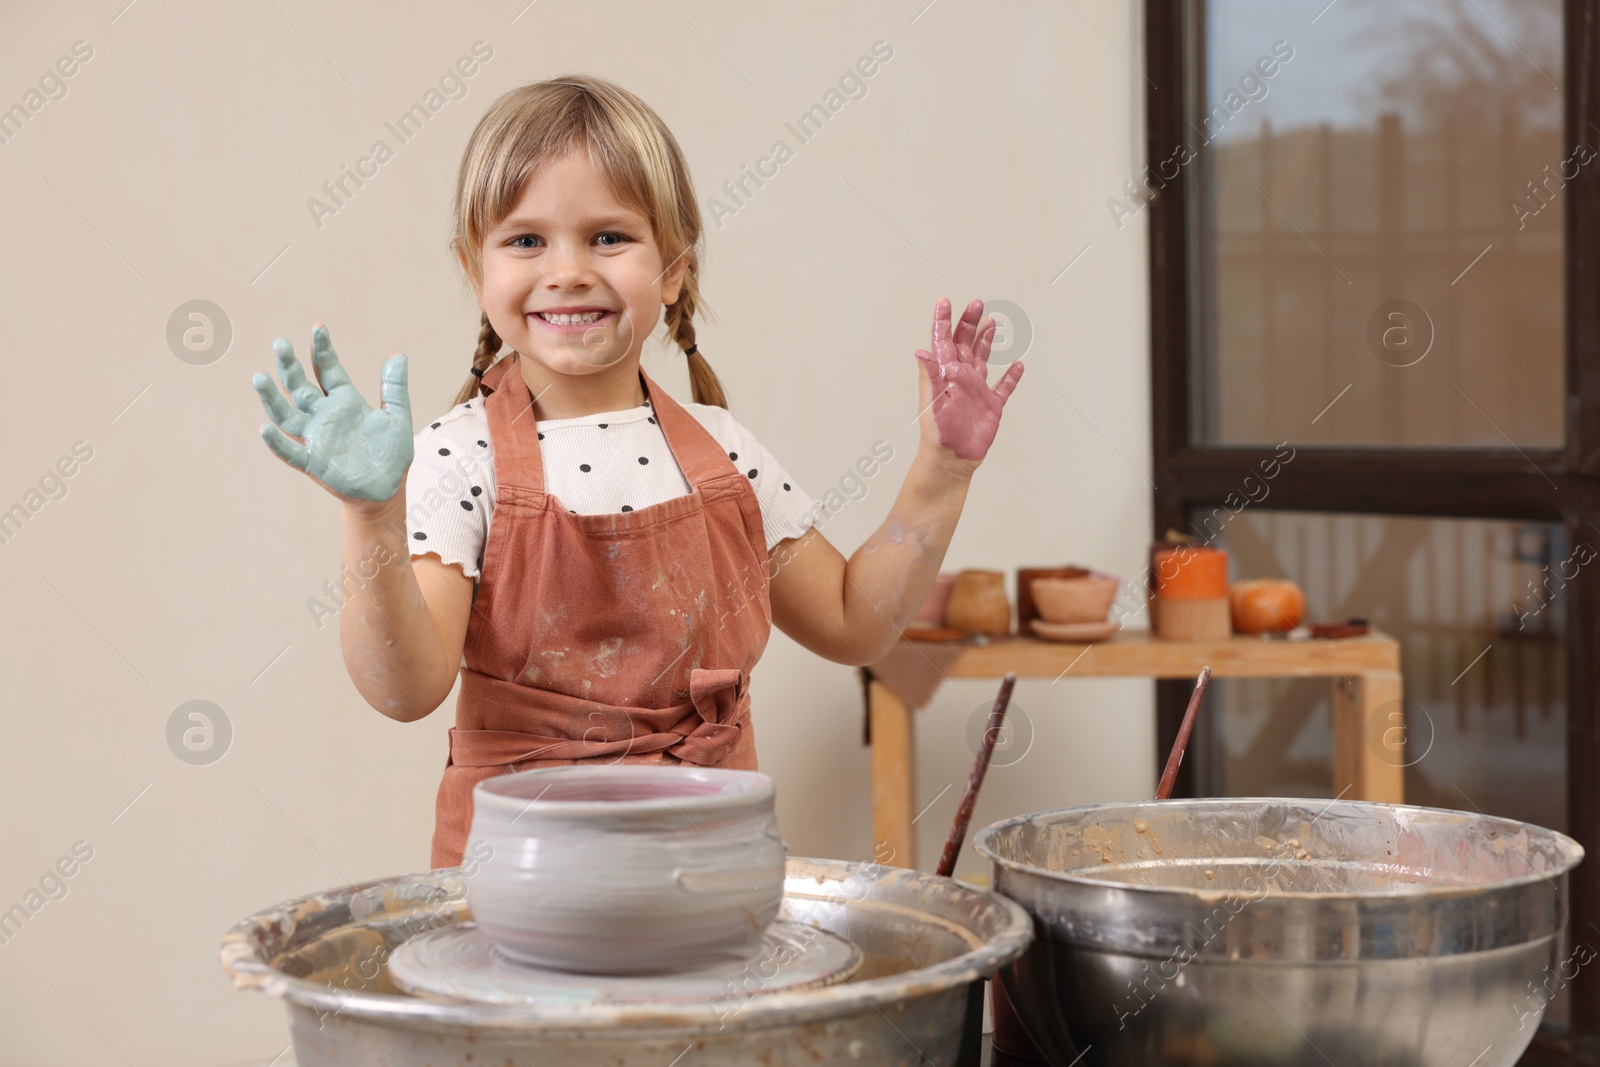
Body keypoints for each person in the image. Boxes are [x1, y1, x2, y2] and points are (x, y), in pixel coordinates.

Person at [250, 75, 1025, 867]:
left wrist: (944, 469)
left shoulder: (724, 450)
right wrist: (370, 517)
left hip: (705, 882)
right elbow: (404, 689)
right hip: (520, 895)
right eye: (525, 241)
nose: (568, 271)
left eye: (608, 237)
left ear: (675, 268)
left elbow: (855, 620)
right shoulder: (458, 455)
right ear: (472, 266)